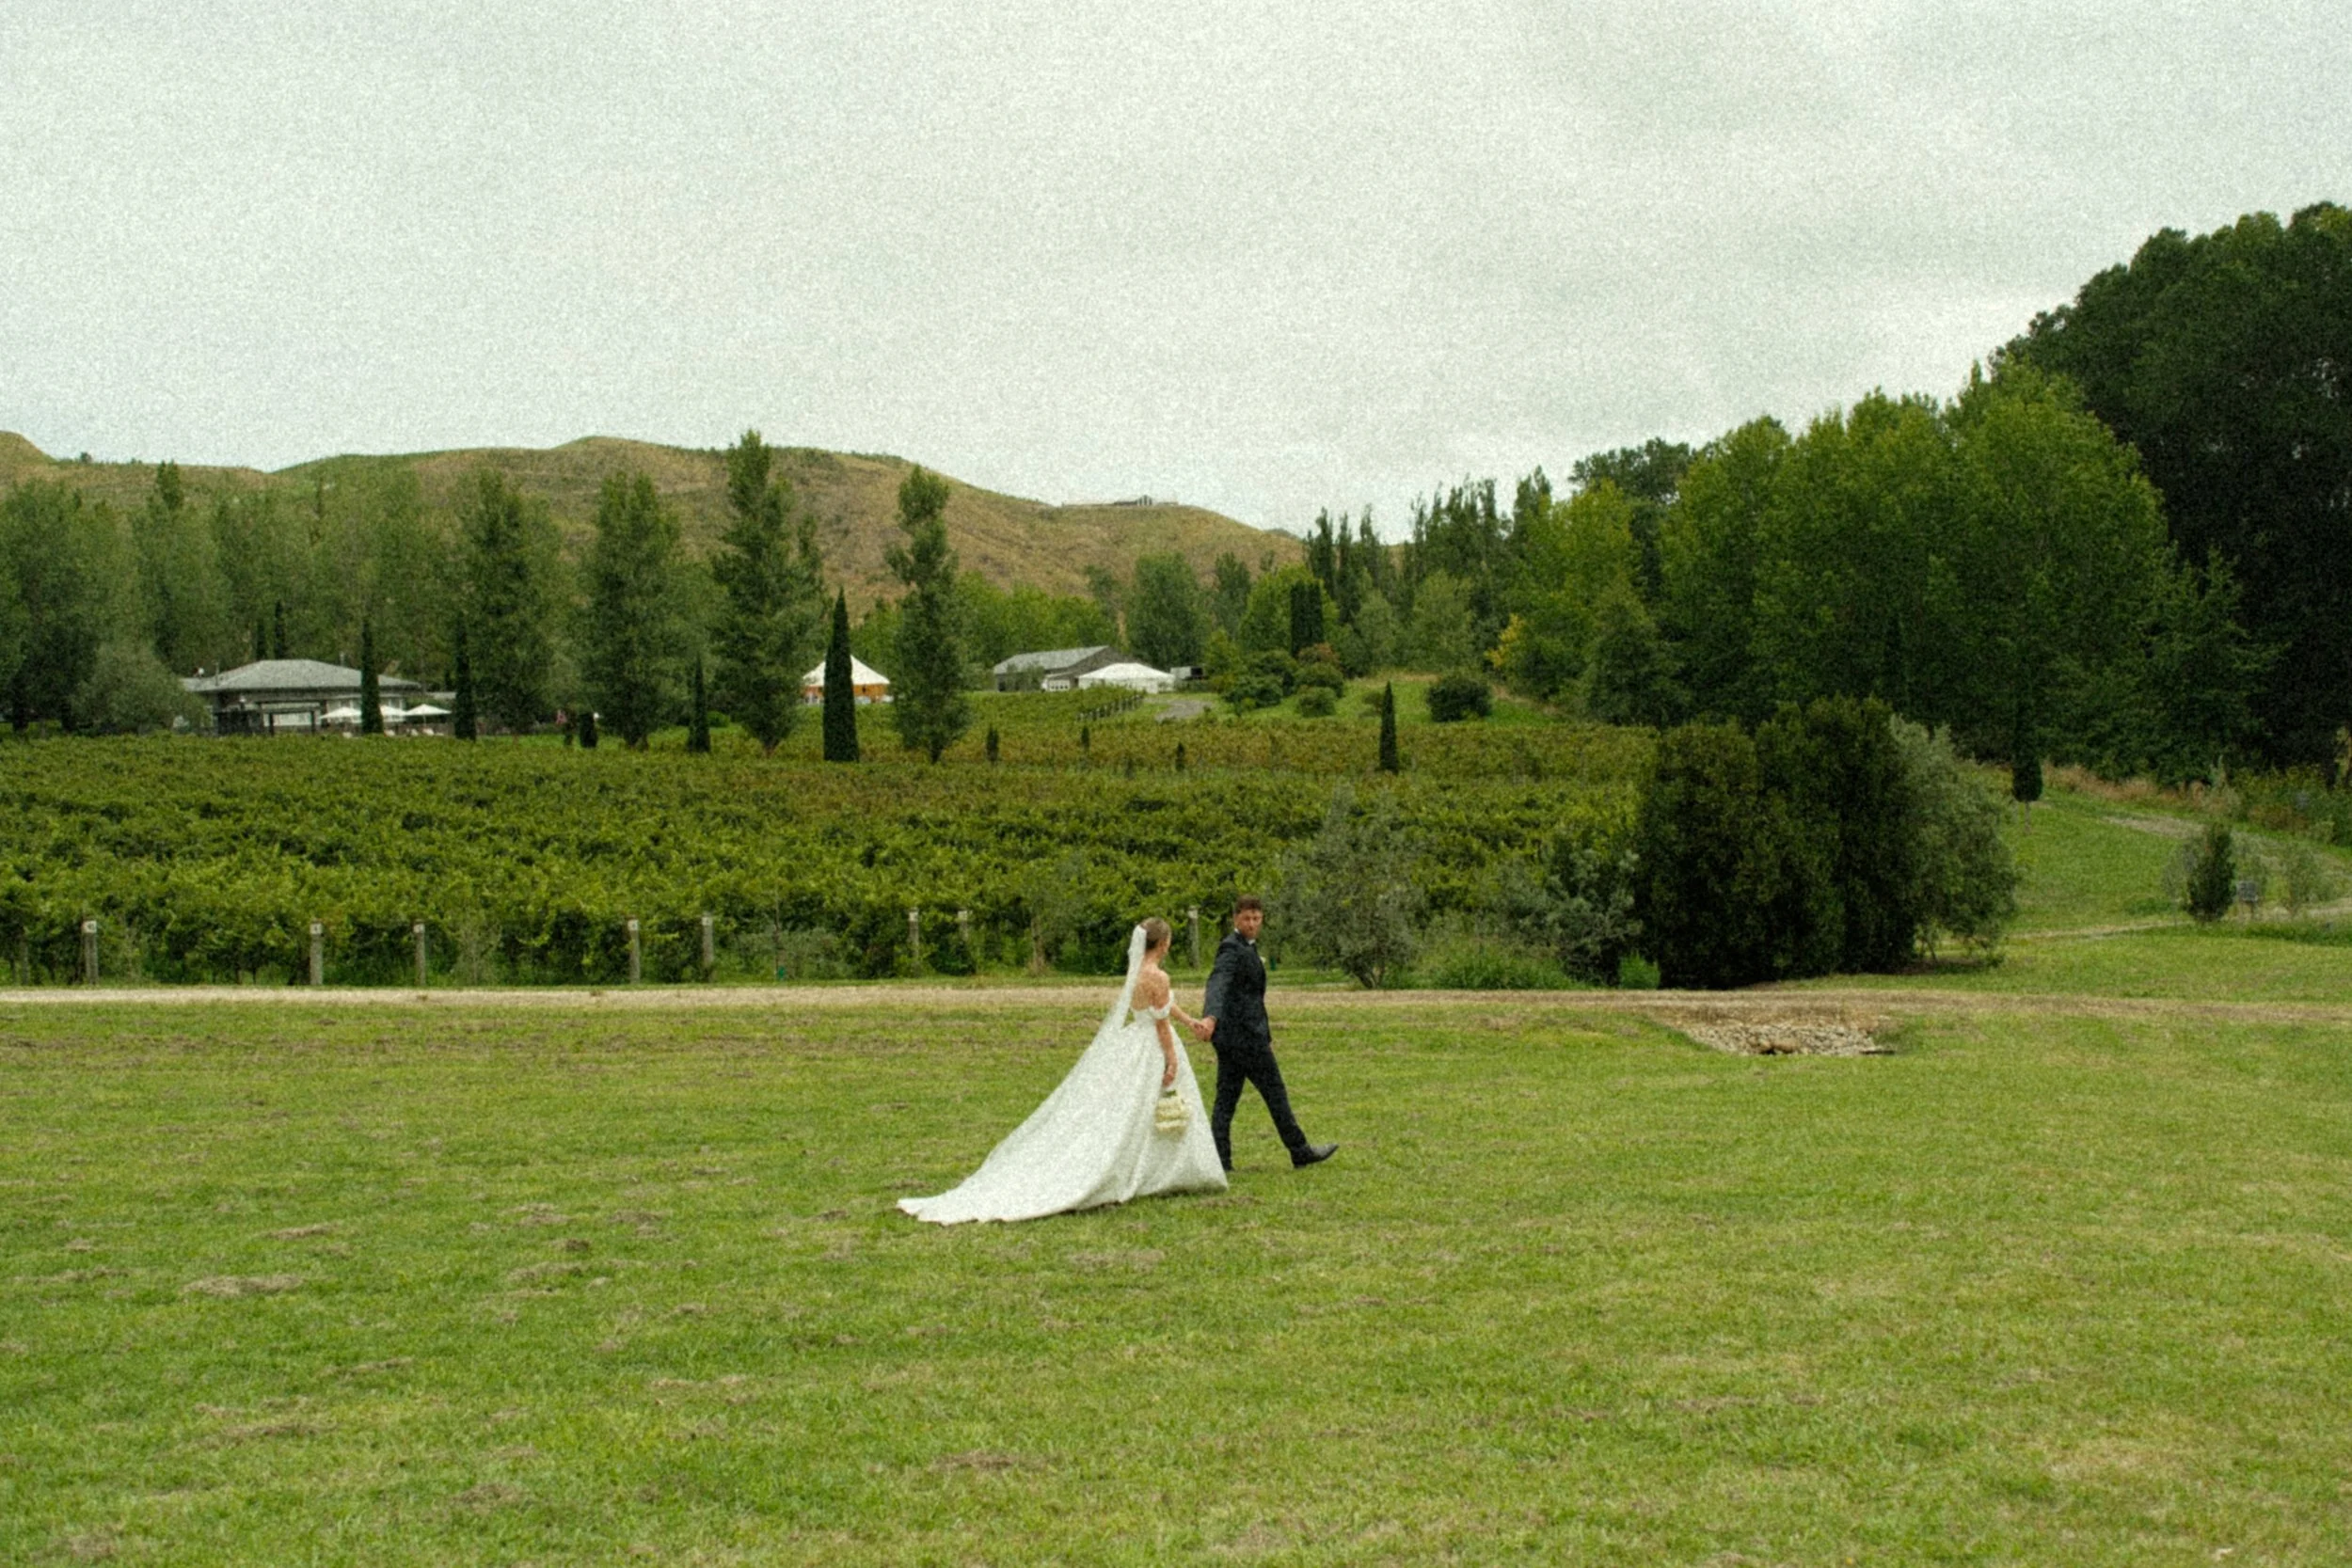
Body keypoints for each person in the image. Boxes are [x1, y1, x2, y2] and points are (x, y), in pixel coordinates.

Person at [899, 918, 1226, 1224]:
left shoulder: (1138, 972)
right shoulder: (1159, 976)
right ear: (1164, 943)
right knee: (1154, 1108)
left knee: (1140, 1111)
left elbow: (1164, 1006)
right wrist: (1171, 1058)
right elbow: (1161, 1021)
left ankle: (1156, 1170)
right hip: (1151, 1045)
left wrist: (1190, 1021)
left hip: (1134, 1040)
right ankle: (1161, 1171)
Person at [1194, 895, 1335, 1172]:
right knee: (1274, 1094)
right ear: (1236, 919)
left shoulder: (1247, 948)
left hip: (1235, 1039)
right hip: (1245, 1040)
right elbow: (1218, 984)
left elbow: (1251, 999)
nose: (1252, 924)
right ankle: (1300, 1151)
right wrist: (1210, 1016)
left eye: (1256, 919)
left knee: (1226, 1100)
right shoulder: (1230, 949)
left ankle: (1220, 1161)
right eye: (1246, 919)